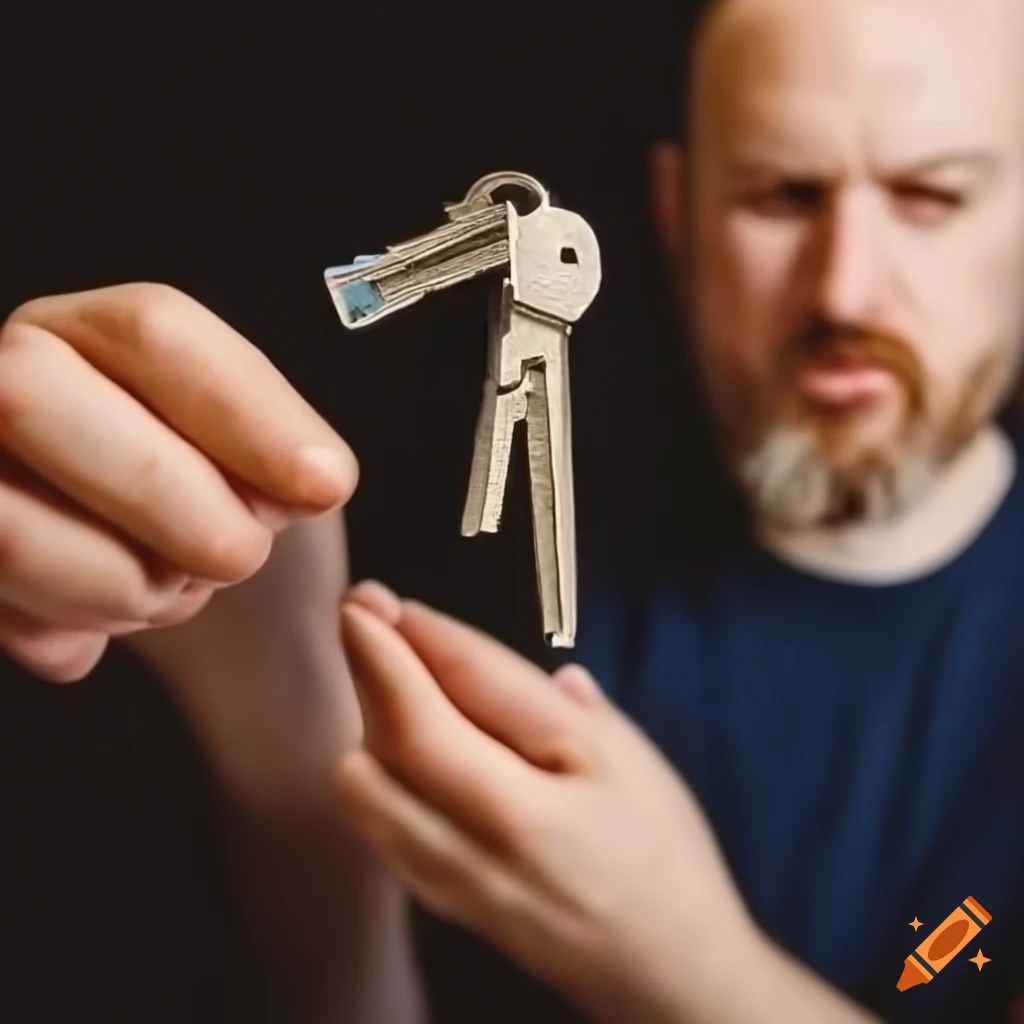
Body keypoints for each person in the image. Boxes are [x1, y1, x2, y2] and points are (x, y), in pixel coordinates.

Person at [2, 2, 1023, 1024]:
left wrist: (682, 963)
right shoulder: (437, 539)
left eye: (930, 195)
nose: (842, 287)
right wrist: (286, 760)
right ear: (678, 215)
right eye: (780, 195)